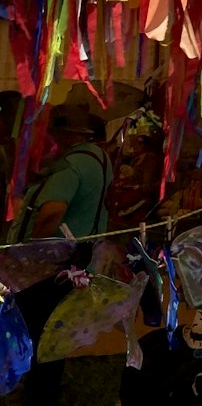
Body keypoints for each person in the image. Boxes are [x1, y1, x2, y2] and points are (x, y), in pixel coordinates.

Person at [15, 103, 115, 404]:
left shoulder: (70, 166)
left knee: (37, 325)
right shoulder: (101, 159)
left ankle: (38, 392)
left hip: (51, 260)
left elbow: (51, 212)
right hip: (81, 255)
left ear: (68, 134)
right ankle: (47, 386)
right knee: (56, 326)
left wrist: (31, 251)